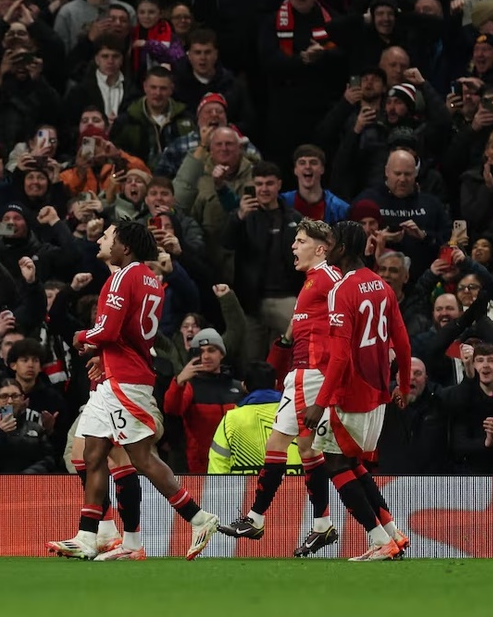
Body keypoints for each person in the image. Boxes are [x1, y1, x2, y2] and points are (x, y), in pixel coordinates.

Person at [46, 221, 219, 561]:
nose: (102, 240)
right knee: (91, 454)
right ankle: (88, 536)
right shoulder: (151, 280)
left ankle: (199, 517)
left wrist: (83, 337)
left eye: (108, 237)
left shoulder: (122, 277)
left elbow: (108, 330)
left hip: (125, 382)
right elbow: (127, 333)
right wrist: (102, 353)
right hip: (118, 376)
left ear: (124, 247)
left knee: (141, 458)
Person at [220, 219, 341, 556]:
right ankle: (320, 524)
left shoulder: (330, 278)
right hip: (302, 372)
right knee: (303, 449)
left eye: (300, 241)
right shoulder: (312, 281)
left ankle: (258, 519)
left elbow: (350, 314)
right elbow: (301, 324)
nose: (293, 246)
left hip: (313, 372)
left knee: (289, 446)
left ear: (320, 249)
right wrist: (284, 345)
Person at [303, 221, 412, 561]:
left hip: (351, 393)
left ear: (343, 247)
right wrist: (403, 385)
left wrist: (320, 403)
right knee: (351, 462)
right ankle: (392, 533)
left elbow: (340, 356)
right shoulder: (382, 286)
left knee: (335, 464)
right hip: (378, 392)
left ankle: (379, 540)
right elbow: (403, 343)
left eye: (331, 242)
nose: (326, 248)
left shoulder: (342, 290)